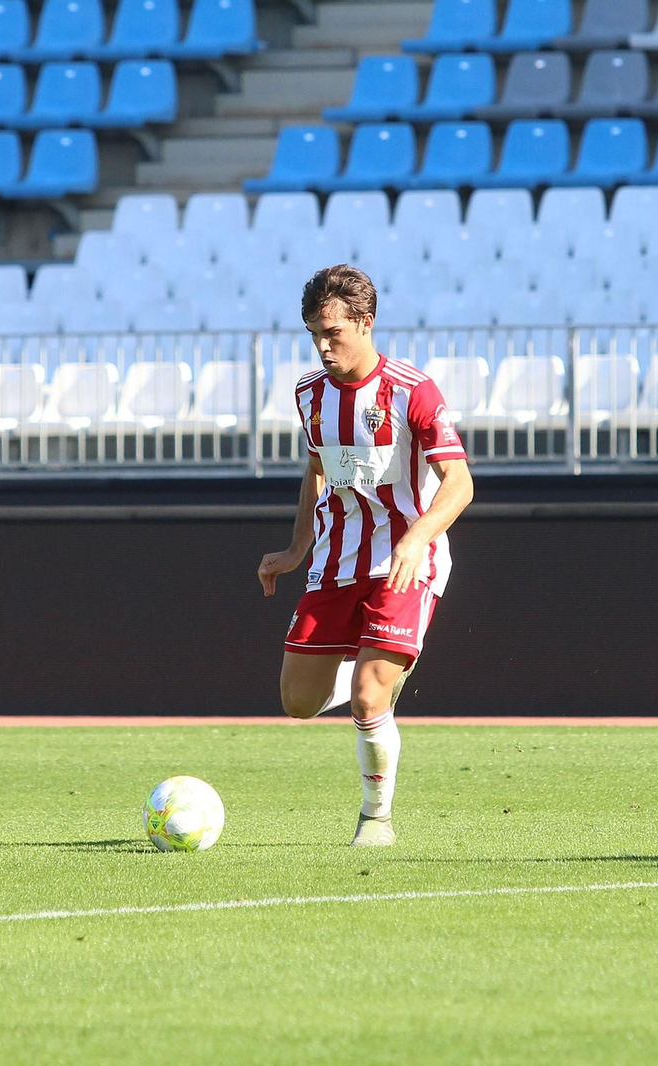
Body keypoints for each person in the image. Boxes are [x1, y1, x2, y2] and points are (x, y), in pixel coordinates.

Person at [257, 265, 474, 847]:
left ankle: (376, 817)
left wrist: (417, 536)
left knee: (371, 698)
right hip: (335, 561)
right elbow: (318, 470)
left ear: (366, 322)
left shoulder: (412, 390)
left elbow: (459, 483)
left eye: (334, 333)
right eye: (314, 335)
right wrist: (296, 547)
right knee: (297, 702)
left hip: (406, 561)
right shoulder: (309, 394)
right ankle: (365, 676)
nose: (324, 347)